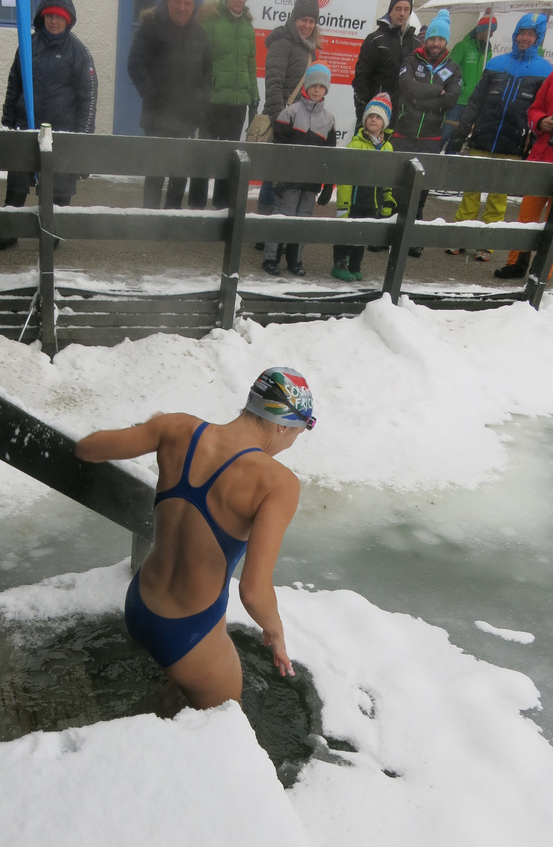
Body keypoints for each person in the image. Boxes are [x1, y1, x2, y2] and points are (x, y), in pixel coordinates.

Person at [75, 367, 314, 709]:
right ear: (282, 424)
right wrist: (275, 632)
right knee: (222, 723)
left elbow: (87, 448)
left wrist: (152, 428)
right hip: (188, 630)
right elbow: (253, 591)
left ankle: (170, 693)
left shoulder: (176, 427)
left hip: (140, 603)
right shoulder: (278, 483)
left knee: (188, 682)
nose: (293, 442)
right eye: (302, 430)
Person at [445, 13, 552, 262]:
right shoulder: (495, 63)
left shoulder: (546, 70)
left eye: (531, 34)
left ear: (537, 38)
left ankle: (487, 243)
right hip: (483, 137)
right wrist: (461, 132)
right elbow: (475, 102)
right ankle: (459, 235)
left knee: (498, 197)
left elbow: (542, 109)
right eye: (522, 33)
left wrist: (532, 143)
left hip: (512, 143)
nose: (525, 38)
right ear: (515, 35)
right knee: (471, 189)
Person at [0, 0, 97, 250]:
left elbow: (89, 98)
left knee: (60, 187)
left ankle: (53, 231)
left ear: (68, 20)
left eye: (59, 17)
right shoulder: (28, 46)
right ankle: (11, 229)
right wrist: (8, 120)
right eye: (49, 16)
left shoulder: (78, 52)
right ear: (42, 17)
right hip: (26, 127)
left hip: (61, 132)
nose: (53, 21)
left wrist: (82, 136)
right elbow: (14, 84)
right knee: (17, 184)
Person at [127, 0, 212, 211]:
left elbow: (208, 71)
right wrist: (152, 95)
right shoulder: (152, 27)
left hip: (187, 118)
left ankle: (172, 218)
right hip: (157, 118)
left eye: (187, 3)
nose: (182, 8)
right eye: (177, 2)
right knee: (155, 171)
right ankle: (150, 218)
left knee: (180, 172)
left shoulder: (199, 33)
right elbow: (135, 63)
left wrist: (201, 100)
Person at [390, 8, 461, 257]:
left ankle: (413, 238)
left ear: (445, 41)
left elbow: (451, 100)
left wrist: (422, 97)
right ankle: (389, 233)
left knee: (420, 191)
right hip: (403, 133)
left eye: (440, 39)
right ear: (426, 39)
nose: (435, 43)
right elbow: (406, 87)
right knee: (396, 186)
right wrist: (435, 92)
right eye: (432, 38)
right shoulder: (411, 60)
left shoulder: (453, 68)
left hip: (430, 138)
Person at [261, 63, 336, 277]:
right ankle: (270, 258)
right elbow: (279, 150)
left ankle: (295, 260)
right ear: (306, 85)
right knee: (282, 217)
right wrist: (278, 178)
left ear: (326, 90)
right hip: (289, 181)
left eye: (322, 86)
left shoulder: (329, 120)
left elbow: (330, 156)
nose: (316, 89)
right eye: (313, 85)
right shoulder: (290, 113)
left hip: (311, 184)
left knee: (302, 222)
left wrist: (328, 185)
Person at [191, 0, 259, 210]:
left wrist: (253, 96)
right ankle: (196, 203)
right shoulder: (210, 21)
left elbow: (250, 64)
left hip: (238, 103)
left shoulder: (248, 26)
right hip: (212, 101)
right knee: (205, 153)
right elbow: (199, 62)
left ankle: (221, 204)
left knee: (230, 156)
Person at [258, 0, 321, 218]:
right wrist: (280, 119)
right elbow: (273, 83)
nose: (307, 25)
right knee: (273, 173)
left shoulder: (311, 48)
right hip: (283, 118)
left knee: (285, 175)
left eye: (312, 21)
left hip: (300, 122)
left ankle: (278, 221)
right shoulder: (282, 43)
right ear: (295, 19)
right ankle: (264, 223)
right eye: (304, 20)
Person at [494, 70, 553, 280]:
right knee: (526, 217)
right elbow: (534, 110)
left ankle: (545, 271)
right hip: (541, 158)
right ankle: (517, 264)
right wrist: (541, 121)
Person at [332, 92, 397, 282]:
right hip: (355, 200)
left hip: (373, 201)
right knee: (348, 233)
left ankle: (355, 266)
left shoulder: (387, 148)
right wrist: (343, 204)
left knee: (362, 235)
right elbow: (346, 178)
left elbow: (388, 178)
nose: (373, 120)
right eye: (370, 116)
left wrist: (387, 198)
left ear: (384, 122)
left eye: (378, 117)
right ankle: (340, 265)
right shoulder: (356, 144)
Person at [352, 0, 416, 130]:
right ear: (390, 11)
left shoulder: (416, 43)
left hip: (404, 120)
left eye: (406, 9)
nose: (402, 13)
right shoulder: (375, 39)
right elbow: (361, 80)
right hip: (376, 117)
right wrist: (363, 116)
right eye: (398, 8)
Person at [441, 15, 497, 153]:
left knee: (458, 139)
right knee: (445, 134)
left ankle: (449, 167)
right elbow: (448, 69)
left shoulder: (487, 51)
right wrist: (459, 87)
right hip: (457, 100)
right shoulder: (463, 46)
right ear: (482, 29)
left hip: (472, 102)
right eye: (490, 30)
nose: (492, 34)